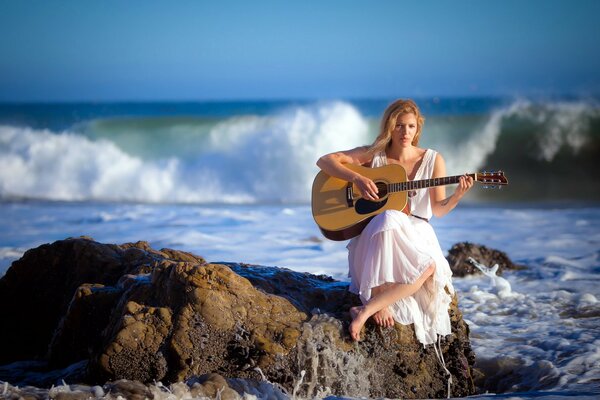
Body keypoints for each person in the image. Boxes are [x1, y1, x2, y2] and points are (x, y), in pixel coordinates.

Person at [316, 99, 473, 344]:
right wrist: (356, 178)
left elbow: (438, 210)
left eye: (410, 126)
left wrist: (457, 195)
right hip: (378, 234)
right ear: (390, 127)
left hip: (417, 232)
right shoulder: (374, 154)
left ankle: (366, 309)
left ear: (417, 128)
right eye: (399, 126)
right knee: (389, 216)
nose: (405, 132)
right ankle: (378, 299)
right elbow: (325, 161)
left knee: (429, 267)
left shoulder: (432, 160)